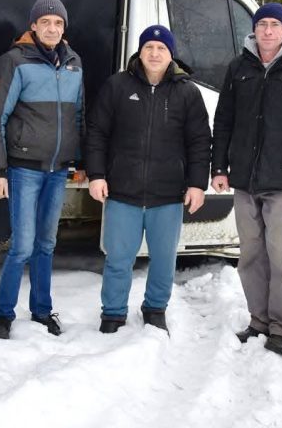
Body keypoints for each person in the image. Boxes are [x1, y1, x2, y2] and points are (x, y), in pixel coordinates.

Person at [211, 2, 282, 355]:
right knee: (250, 255)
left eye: (274, 24)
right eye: (262, 24)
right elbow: (224, 120)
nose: (267, 31)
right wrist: (219, 168)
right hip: (245, 181)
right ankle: (258, 320)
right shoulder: (239, 67)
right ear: (254, 29)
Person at [86, 25, 210, 334]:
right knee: (118, 258)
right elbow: (97, 133)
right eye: (149, 48)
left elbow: (199, 142)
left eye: (161, 49)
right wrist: (97, 175)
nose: (155, 54)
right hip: (122, 191)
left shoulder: (187, 92)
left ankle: (155, 308)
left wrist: (197, 184)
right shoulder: (117, 86)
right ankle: (113, 313)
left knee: (164, 260)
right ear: (139, 52)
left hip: (167, 194)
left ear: (171, 55)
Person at [0, 0, 85, 340]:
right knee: (23, 246)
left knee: (46, 244)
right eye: (45, 22)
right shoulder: (14, 61)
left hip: (58, 171)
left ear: (64, 28)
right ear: (34, 26)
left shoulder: (74, 63)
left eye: (58, 23)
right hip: (24, 168)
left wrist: (81, 161)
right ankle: (3, 313)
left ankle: (42, 309)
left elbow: (79, 116)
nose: (52, 28)